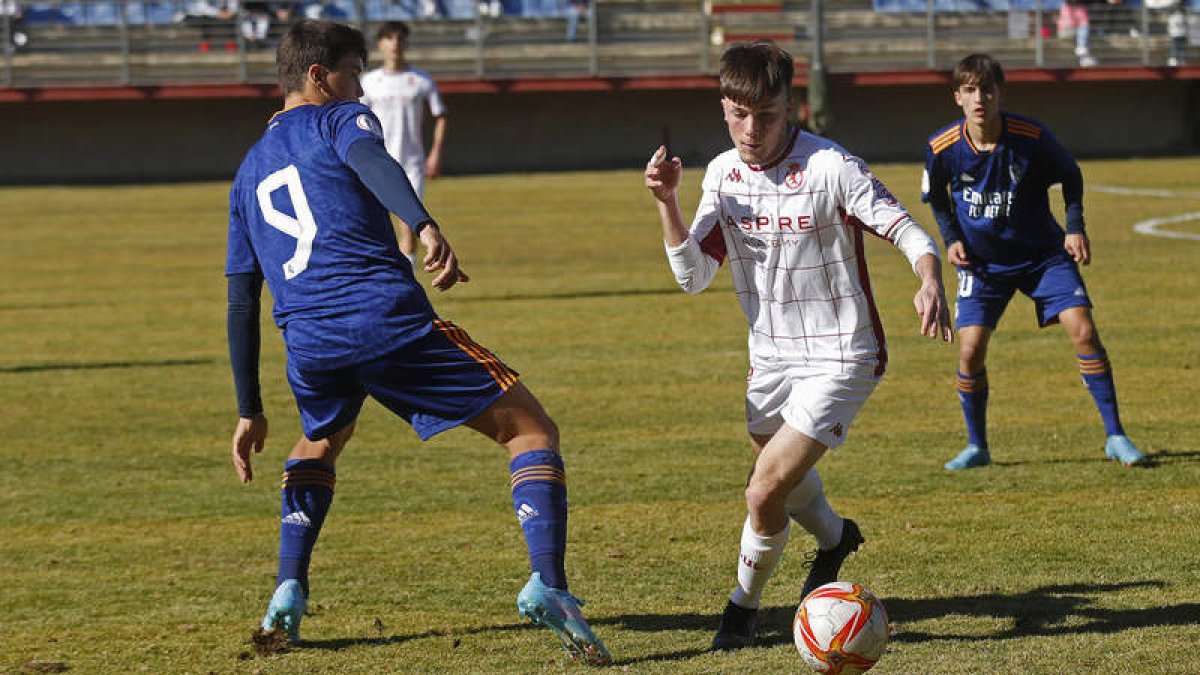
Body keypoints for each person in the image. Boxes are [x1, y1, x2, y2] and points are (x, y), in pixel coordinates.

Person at [225, 19, 610, 665]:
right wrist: (424, 222)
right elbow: (372, 158)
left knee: (320, 438)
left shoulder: (246, 172)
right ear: (319, 76)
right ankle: (551, 583)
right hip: (383, 320)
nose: (360, 89)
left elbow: (241, 298)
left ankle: (286, 587)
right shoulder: (339, 119)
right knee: (530, 430)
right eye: (352, 75)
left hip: (310, 343)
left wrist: (247, 406)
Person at [643, 41, 953, 651]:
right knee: (776, 479)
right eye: (737, 114)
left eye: (766, 114)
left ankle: (740, 612)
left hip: (843, 353)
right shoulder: (723, 175)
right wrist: (667, 203)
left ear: (791, 106)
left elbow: (908, 229)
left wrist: (929, 277)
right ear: (724, 107)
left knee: (762, 489)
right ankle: (837, 538)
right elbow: (692, 276)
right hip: (771, 357)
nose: (750, 129)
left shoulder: (832, 167)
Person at [921, 53, 1147, 471]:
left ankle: (1116, 435)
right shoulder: (943, 148)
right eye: (970, 90)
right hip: (982, 265)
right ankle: (978, 446)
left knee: (1083, 330)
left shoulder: (1031, 136)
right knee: (969, 351)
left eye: (987, 89)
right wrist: (951, 239)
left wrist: (1074, 226)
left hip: (1043, 256)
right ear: (957, 97)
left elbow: (1071, 176)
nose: (979, 98)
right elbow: (936, 197)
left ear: (999, 92)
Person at [360, 21, 447, 267]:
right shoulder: (369, 82)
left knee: (409, 223)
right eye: (389, 38)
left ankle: (406, 280)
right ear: (380, 44)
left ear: (406, 43)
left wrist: (435, 154)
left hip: (411, 163)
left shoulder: (420, 79)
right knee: (373, 224)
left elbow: (440, 115)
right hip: (377, 162)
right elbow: (358, 119)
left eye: (399, 38)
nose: (395, 44)